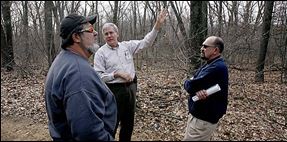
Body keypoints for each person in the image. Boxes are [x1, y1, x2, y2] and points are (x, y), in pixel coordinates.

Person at [93, 9, 168, 141]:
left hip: (131, 89)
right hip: (113, 91)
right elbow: (98, 76)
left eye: (111, 33)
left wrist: (157, 26)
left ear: (117, 34)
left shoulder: (126, 46)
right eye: (106, 34)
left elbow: (146, 42)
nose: (109, 36)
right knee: (112, 123)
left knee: (128, 124)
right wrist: (115, 74)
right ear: (104, 37)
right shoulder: (101, 53)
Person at [44, 13, 117, 141]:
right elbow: (89, 133)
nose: (95, 33)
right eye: (90, 30)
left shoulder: (64, 60)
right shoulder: (79, 73)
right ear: (76, 37)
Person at [182, 36, 229, 141]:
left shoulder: (216, 67)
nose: (202, 49)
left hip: (202, 121)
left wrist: (190, 83)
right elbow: (192, 82)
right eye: (202, 46)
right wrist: (192, 84)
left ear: (215, 50)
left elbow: (190, 85)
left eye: (205, 46)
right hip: (201, 118)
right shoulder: (209, 64)